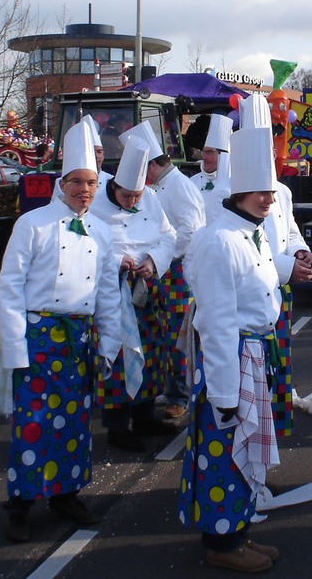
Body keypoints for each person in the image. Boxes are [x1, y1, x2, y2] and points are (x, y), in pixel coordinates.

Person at [0, 120, 121, 542]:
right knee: (33, 422)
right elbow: (10, 287)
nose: (84, 190)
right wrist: (14, 348)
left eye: (91, 182)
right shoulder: (33, 224)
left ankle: (66, 494)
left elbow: (108, 293)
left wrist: (109, 344)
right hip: (38, 336)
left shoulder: (102, 232)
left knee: (74, 422)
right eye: (77, 182)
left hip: (79, 338)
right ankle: (20, 504)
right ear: (62, 184)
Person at [179, 125, 282, 574]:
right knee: (223, 451)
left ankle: (238, 531)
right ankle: (221, 543)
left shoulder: (252, 232)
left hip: (252, 356)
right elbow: (217, 324)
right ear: (238, 191)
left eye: (271, 191)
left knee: (245, 449)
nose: (268, 199)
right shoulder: (220, 240)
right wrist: (223, 395)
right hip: (232, 361)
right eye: (260, 191)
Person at [89, 138, 179, 452]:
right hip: (111, 291)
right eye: (126, 196)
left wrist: (153, 261)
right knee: (118, 356)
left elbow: (168, 235)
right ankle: (117, 427)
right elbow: (86, 245)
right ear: (114, 187)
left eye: (137, 196)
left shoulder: (150, 199)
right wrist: (117, 260)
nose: (131, 202)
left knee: (151, 354)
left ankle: (144, 416)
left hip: (146, 288)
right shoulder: (94, 204)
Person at [238, 93, 312, 438]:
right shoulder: (229, 193)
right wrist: (286, 267)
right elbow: (246, 247)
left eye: (271, 149)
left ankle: (273, 429)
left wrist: (299, 252)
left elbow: (290, 230)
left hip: (279, 291)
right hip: (248, 296)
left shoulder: (282, 192)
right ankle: (252, 433)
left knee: (278, 360)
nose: (269, 156)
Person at [123, 122, 206, 421]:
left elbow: (190, 232)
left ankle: (180, 395)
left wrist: (158, 257)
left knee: (176, 335)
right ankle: (167, 388)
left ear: (153, 164)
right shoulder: (159, 186)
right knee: (160, 332)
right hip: (161, 270)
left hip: (178, 271)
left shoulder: (179, 187)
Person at [189, 113, 232, 223]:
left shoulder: (234, 184)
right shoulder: (191, 182)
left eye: (209, 152)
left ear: (223, 155)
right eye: (204, 152)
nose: (204, 157)